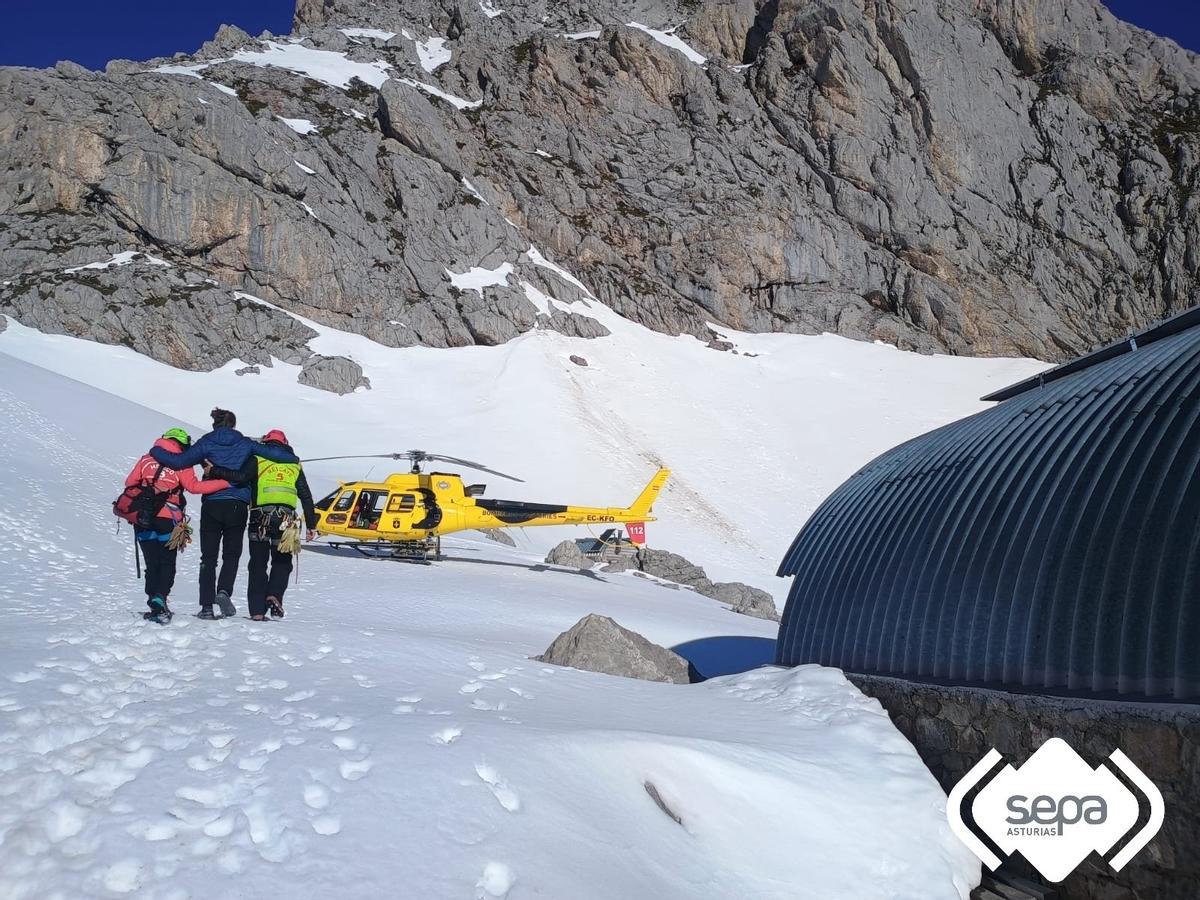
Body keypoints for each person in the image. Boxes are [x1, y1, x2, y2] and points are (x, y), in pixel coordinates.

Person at [150, 408, 297, 619]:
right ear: (233, 425)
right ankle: (224, 591)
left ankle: (206, 607)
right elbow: (277, 455)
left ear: (215, 425)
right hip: (237, 504)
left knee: (208, 558)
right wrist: (293, 458)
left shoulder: (206, 443)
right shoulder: (245, 443)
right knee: (231, 555)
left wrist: (156, 451)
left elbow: (178, 461)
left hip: (212, 503)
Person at [123, 428, 232, 622]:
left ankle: (154, 600)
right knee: (167, 561)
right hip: (169, 517)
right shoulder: (182, 462)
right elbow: (194, 487)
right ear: (183, 444)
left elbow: (129, 482)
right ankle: (160, 597)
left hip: (143, 517)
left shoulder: (146, 459)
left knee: (152, 562)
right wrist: (225, 483)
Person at [209, 429, 317, 621]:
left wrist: (215, 470)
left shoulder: (258, 459)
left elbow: (240, 477)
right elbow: (306, 496)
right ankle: (274, 595)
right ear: (285, 444)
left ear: (266, 442)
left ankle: (257, 612)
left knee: (258, 564)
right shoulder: (294, 465)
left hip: (260, 518)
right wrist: (311, 525)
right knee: (282, 562)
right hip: (286, 521)